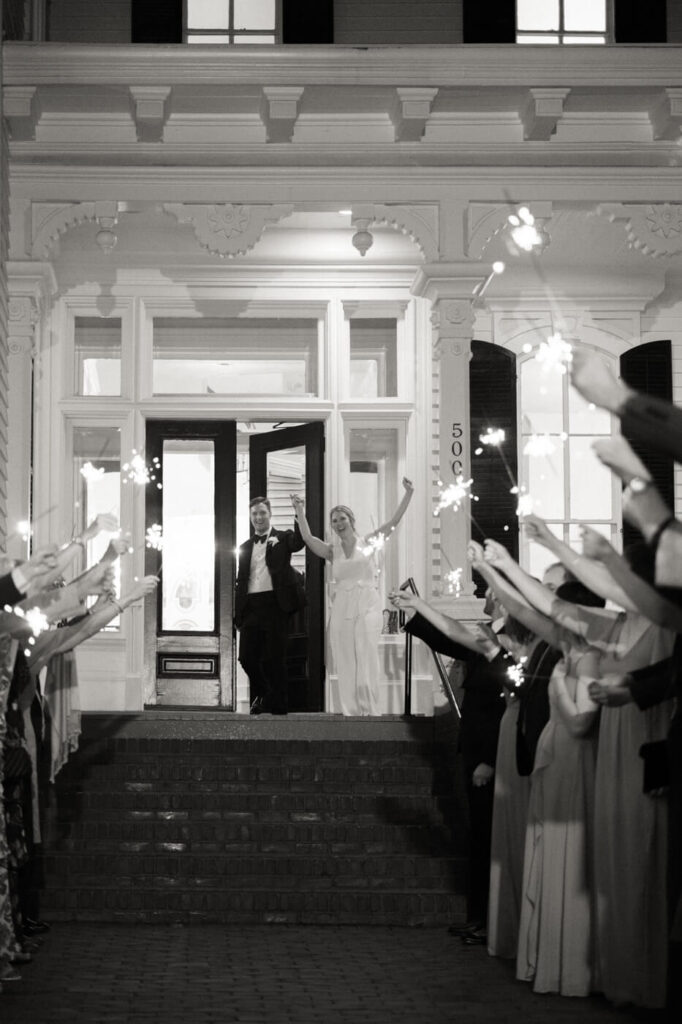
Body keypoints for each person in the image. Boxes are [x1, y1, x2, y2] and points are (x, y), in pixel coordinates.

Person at [292, 478, 413, 716]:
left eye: (342, 519)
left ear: (351, 520)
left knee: (366, 654)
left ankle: (370, 710)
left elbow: (393, 522)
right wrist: (299, 510)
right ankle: (349, 712)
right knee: (345, 656)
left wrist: (408, 493)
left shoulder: (368, 542)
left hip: (367, 603)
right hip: (342, 608)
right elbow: (307, 538)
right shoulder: (332, 551)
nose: (338, 524)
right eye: (334, 521)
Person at [235, 496, 305, 716]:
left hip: (275, 604)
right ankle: (266, 693)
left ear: (270, 513)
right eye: (254, 513)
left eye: (262, 512)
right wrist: (238, 613)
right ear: (250, 516)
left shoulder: (283, 538)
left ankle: (278, 705)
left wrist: (299, 511)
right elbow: (241, 579)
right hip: (252, 606)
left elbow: (300, 541)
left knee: (275, 657)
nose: (258, 517)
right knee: (246, 656)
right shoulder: (245, 546)